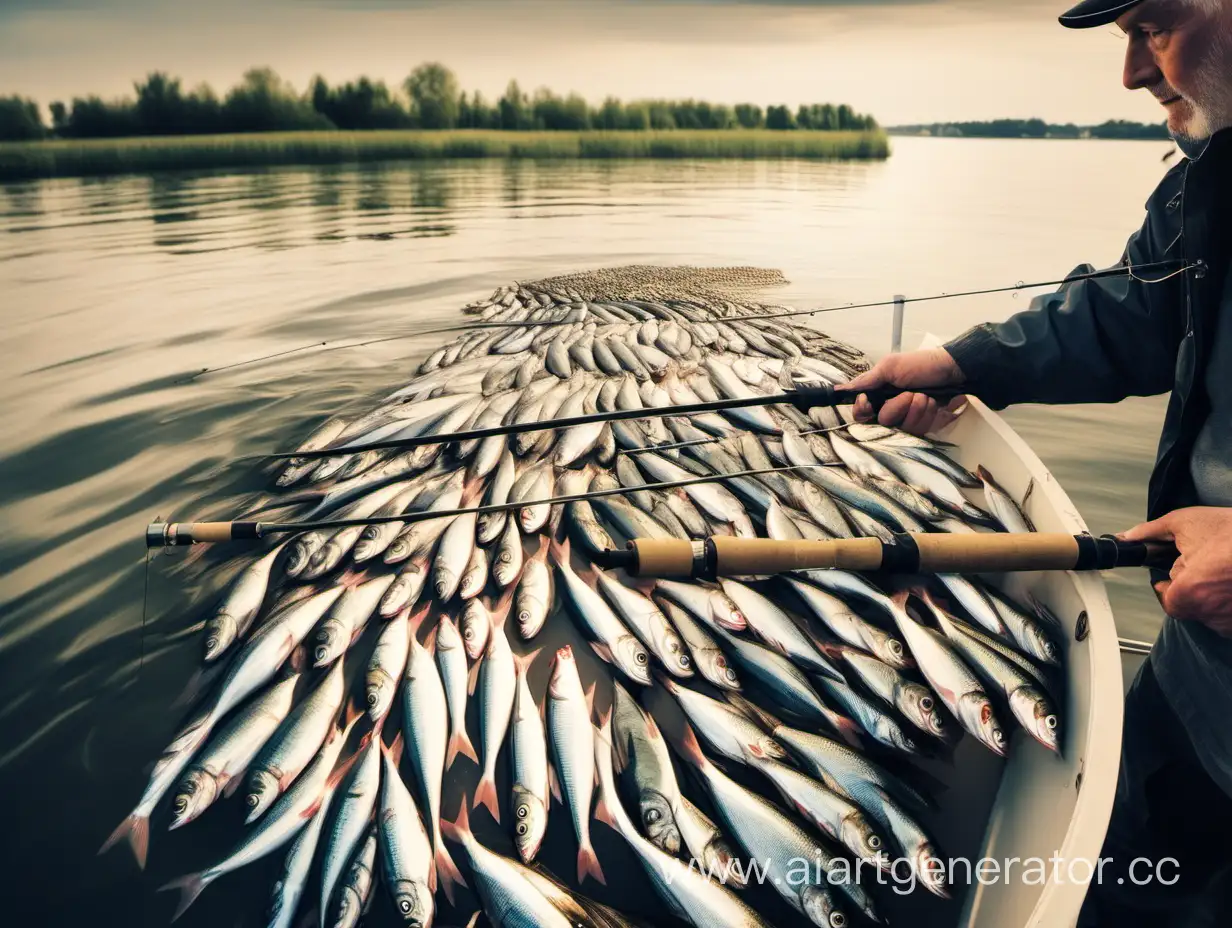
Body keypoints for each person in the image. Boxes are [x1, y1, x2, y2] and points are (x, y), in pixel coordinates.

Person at [840, 1, 1232, 924]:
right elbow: (1135, 310)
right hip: (1198, 681)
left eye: (1157, 26)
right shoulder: (1214, 176)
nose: (1132, 74)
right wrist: (962, 363)